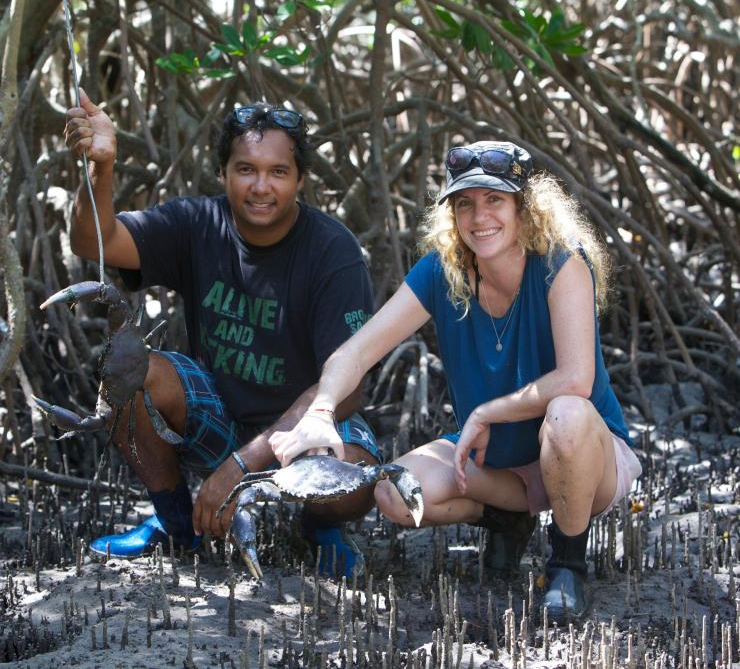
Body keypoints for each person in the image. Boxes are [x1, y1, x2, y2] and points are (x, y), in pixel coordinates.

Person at [271, 141, 642, 619]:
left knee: (566, 414)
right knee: (395, 493)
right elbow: (357, 351)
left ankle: (567, 562)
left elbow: (576, 379)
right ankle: (508, 520)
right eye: (465, 202)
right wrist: (321, 411)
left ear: (525, 208)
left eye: (494, 200)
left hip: (585, 454)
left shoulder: (560, 263)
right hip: (502, 462)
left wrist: (488, 411)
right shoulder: (442, 272)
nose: (478, 216)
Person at [61, 92, 379, 577]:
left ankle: (321, 529)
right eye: (246, 169)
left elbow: (350, 384)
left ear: (299, 180)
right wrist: (99, 169)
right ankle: (176, 524)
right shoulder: (197, 223)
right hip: (221, 419)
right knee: (125, 371)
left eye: (278, 171)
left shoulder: (333, 251)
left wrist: (243, 463)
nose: (261, 187)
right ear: (224, 173)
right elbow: (93, 242)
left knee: (355, 479)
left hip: (306, 430)